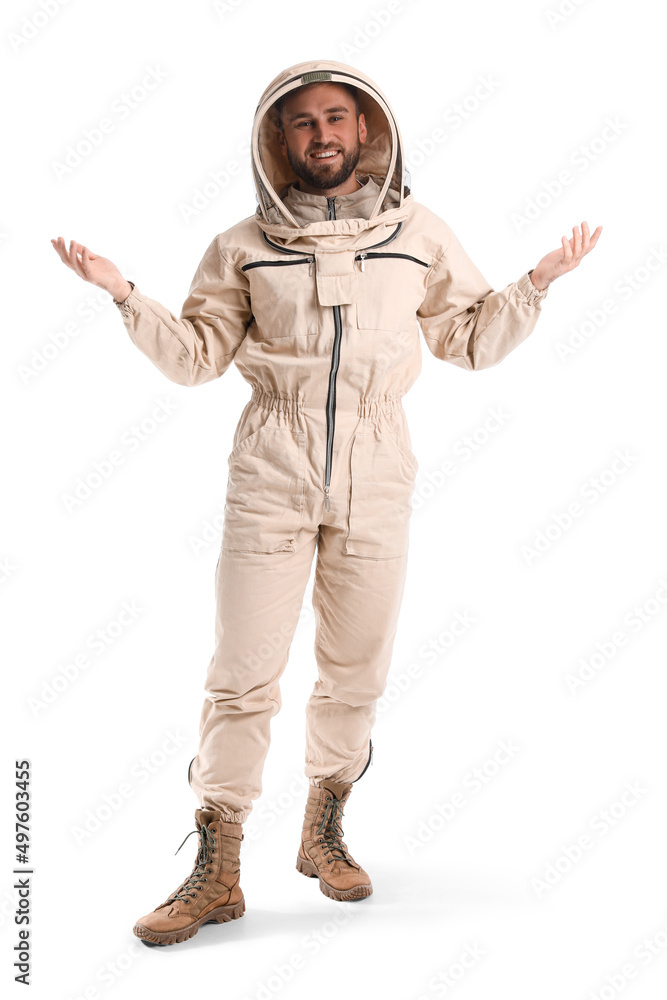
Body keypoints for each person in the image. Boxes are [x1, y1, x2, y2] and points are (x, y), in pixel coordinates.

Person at [51, 58, 602, 947]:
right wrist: (125, 297)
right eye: (302, 122)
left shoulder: (417, 232)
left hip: (379, 466)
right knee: (242, 674)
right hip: (270, 463)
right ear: (277, 139)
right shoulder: (241, 244)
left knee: (357, 668)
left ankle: (323, 831)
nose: (322, 135)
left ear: (367, 128)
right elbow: (197, 357)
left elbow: (464, 339)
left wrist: (533, 284)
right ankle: (217, 867)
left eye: (336, 117)